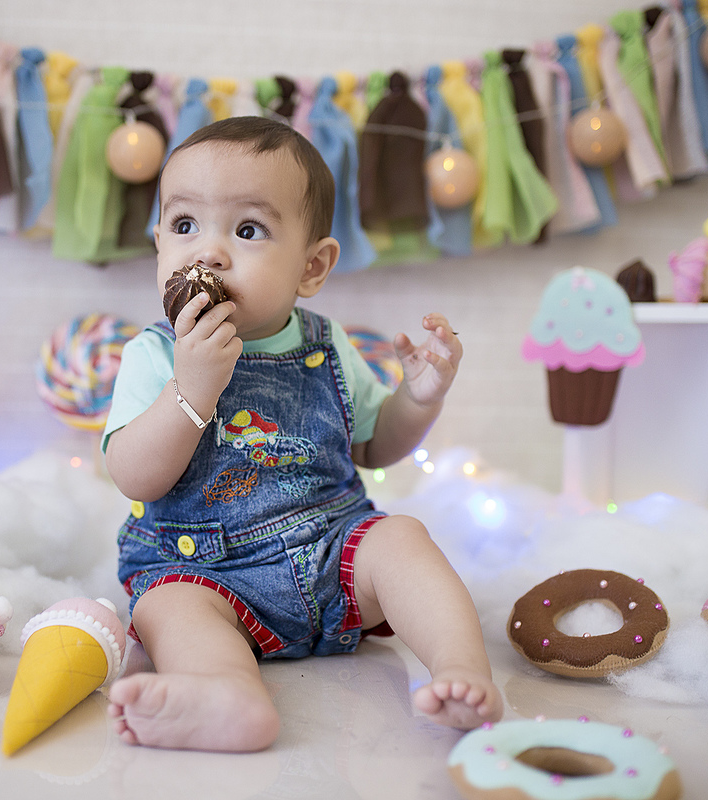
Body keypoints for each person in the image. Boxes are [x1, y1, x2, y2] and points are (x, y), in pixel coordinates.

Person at [100, 116, 502, 752]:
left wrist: (418, 397)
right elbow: (134, 475)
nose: (208, 253)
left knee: (400, 538)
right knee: (165, 609)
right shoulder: (155, 354)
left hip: (333, 559)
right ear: (159, 247)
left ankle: (461, 669)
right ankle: (224, 695)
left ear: (311, 267)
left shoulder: (326, 344)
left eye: (248, 229)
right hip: (206, 572)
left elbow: (373, 446)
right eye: (184, 226)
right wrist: (192, 388)